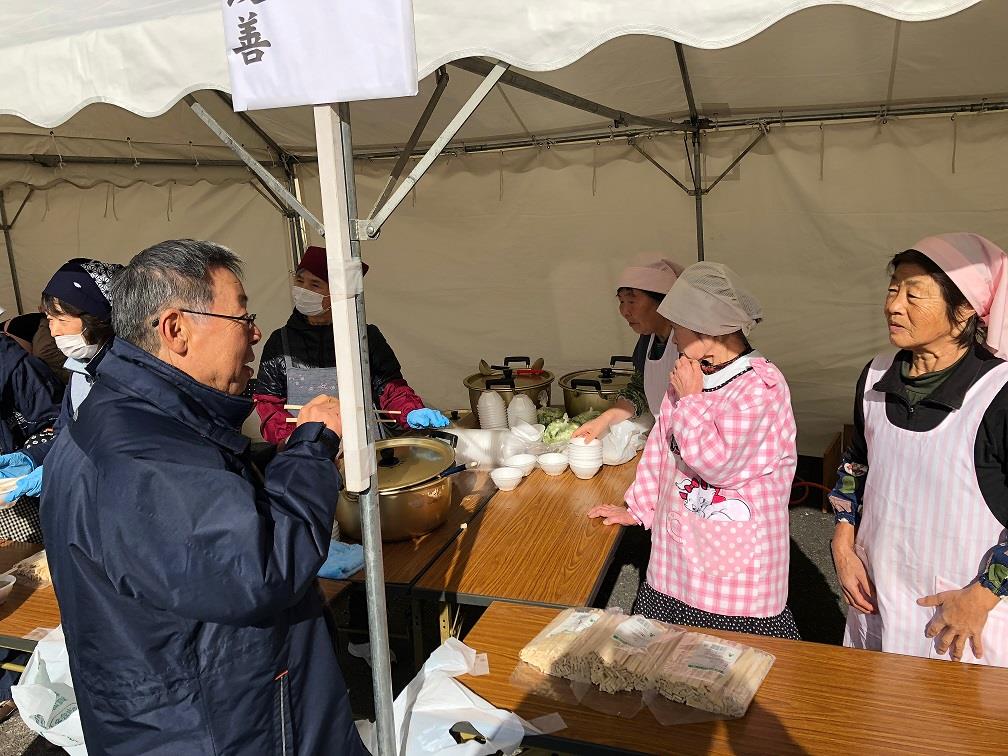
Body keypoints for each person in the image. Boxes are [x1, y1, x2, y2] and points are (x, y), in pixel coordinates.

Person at [40, 239, 366, 754]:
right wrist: (313, 446)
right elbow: (261, 568)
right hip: (210, 726)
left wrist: (267, 461)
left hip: (192, 708)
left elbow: (203, 495)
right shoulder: (140, 453)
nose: (255, 332)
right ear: (176, 329)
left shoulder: (130, 416)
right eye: (242, 318)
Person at [589, 262, 799, 638]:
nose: (674, 339)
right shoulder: (691, 374)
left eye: (679, 329)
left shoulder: (760, 387)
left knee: (730, 670)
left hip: (734, 567)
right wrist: (638, 508)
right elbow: (660, 449)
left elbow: (719, 466)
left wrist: (690, 400)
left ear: (708, 327)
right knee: (663, 663)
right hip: (676, 556)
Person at [830, 233, 1008, 666]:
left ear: (964, 309)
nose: (894, 305)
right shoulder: (874, 376)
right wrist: (842, 540)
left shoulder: (998, 392)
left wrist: (983, 594)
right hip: (876, 601)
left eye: (914, 294)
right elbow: (856, 462)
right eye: (893, 289)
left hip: (962, 619)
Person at [255, 245, 448, 443]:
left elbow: (389, 388)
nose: (303, 290)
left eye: (314, 285)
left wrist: (410, 411)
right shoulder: (279, 341)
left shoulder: (366, 337)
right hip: (304, 450)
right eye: (299, 280)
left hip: (364, 448)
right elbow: (267, 403)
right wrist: (293, 439)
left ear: (337, 293)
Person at [0, 259, 121, 512]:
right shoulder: (79, 374)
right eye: (48, 320)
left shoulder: (129, 377)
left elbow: (122, 449)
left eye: (61, 320)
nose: (52, 332)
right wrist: (31, 459)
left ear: (96, 319)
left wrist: (61, 469)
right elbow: (65, 434)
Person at [573, 257, 682, 442]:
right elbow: (639, 390)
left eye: (632, 301)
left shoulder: (691, 344)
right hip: (666, 442)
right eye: (621, 301)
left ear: (663, 302)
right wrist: (603, 420)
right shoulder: (648, 340)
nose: (624, 311)